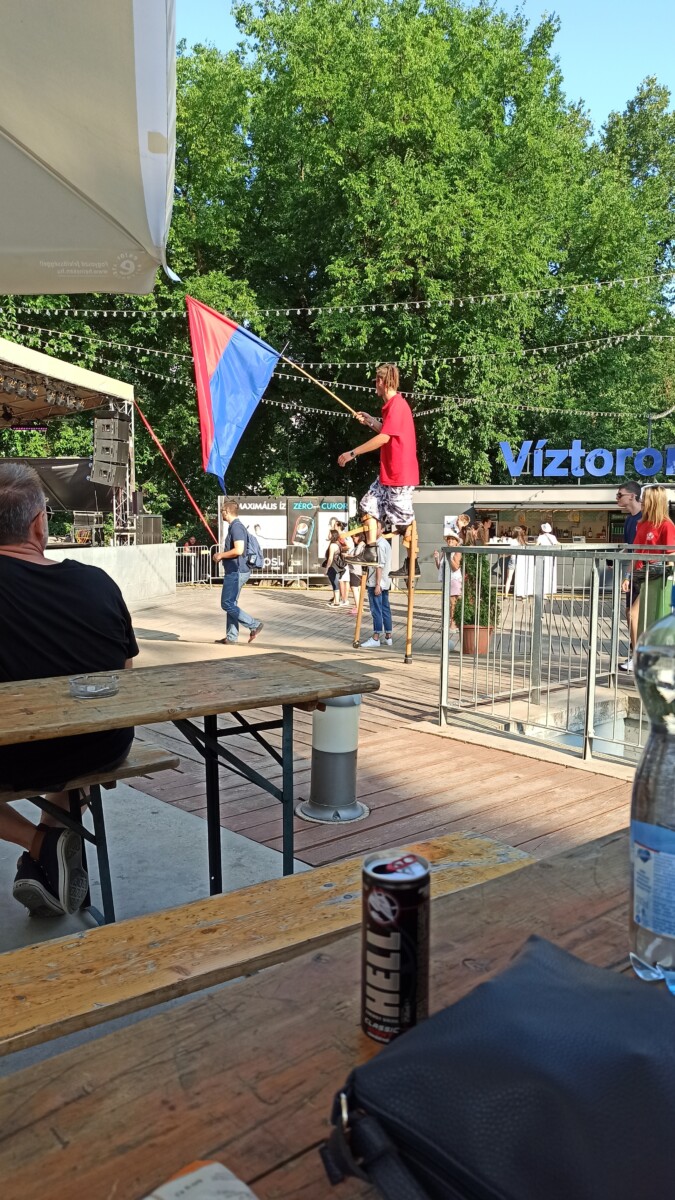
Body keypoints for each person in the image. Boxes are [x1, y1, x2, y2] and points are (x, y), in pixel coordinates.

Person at [0, 463, 138, 917]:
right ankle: (48, 861)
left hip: (12, 757)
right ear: (39, 524)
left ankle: (39, 842)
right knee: (73, 735)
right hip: (103, 745)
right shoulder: (98, 583)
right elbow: (127, 676)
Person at [337, 362, 419, 574]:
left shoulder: (397, 405)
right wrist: (371, 421)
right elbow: (387, 431)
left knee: (403, 520)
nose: (375, 385)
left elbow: (384, 438)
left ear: (382, 381)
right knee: (368, 505)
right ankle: (371, 551)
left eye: (376, 381)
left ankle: (413, 564)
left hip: (400, 474)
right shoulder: (392, 406)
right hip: (389, 473)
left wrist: (352, 453)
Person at [620, 485, 675, 673]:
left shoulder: (666, 525)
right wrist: (627, 575)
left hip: (656, 578)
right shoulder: (641, 523)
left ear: (655, 501)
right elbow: (635, 552)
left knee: (636, 615)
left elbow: (671, 556)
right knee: (636, 616)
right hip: (639, 575)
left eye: (645, 498)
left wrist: (668, 581)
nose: (642, 500)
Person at [214, 499, 264, 645]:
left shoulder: (236, 527)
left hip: (236, 571)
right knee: (232, 604)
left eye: (222, 511)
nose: (221, 514)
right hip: (237, 571)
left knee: (226, 604)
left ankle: (254, 625)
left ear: (227, 512)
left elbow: (239, 550)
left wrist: (221, 555)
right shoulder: (235, 527)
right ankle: (231, 637)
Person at [615, 481, 642, 670]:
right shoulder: (629, 520)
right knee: (629, 614)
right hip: (634, 572)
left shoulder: (645, 518)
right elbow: (629, 548)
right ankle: (635, 653)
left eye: (619, 495)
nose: (617, 498)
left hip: (649, 572)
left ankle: (639, 656)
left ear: (632, 496)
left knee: (634, 614)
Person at [361, 523, 393, 649]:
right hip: (384, 582)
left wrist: (377, 584)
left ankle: (376, 637)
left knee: (376, 610)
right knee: (385, 608)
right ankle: (388, 636)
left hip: (376, 583)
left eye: (377, 528)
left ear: (382, 529)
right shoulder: (385, 543)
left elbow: (379, 566)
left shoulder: (379, 545)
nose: (373, 530)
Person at [434, 530, 463, 628]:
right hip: (446, 580)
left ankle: (453, 624)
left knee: (453, 603)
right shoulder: (445, 551)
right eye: (449, 539)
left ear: (456, 542)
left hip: (454, 580)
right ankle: (451, 623)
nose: (450, 540)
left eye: (452, 539)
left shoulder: (457, 551)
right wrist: (436, 558)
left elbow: (455, 567)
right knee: (448, 603)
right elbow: (440, 567)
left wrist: (449, 556)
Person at [323, 530, 349, 608]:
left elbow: (330, 557)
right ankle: (335, 601)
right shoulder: (338, 544)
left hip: (333, 566)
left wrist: (327, 568)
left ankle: (336, 602)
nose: (328, 535)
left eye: (329, 534)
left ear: (333, 535)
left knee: (334, 583)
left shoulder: (332, 545)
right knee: (335, 583)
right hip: (337, 566)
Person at [536, 522, 559, 597]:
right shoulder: (553, 537)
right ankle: (550, 590)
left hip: (543, 557)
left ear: (542, 530)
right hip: (551, 557)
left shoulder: (540, 537)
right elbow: (557, 544)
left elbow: (536, 545)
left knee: (543, 574)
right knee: (550, 574)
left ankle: (543, 592)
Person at [513, 525, 534, 598]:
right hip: (524, 559)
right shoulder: (522, 540)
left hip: (518, 559)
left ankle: (520, 592)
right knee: (524, 575)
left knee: (519, 576)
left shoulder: (514, 541)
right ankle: (525, 592)